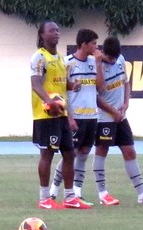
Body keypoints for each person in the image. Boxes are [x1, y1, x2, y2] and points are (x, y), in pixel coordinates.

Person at [93, 36, 143, 206]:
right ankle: (103, 194)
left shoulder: (120, 59)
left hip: (120, 115)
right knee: (102, 151)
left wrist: (126, 103)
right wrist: (113, 111)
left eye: (116, 57)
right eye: (110, 58)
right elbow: (97, 93)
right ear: (104, 53)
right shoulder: (97, 64)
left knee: (130, 151)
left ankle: (142, 194)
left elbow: (126, 82)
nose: (113, 60)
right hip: (104, 118)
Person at [29, 20, 91, 210]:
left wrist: (72, 87)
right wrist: (49, 101)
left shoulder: (62, 59)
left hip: (62, 115)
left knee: (69, 153)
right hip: (46, 115)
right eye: (51, 30)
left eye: (57, 30)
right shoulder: (39, 57)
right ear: (42, 35)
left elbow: (62, 88)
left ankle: (70, 197)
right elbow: (36, 84)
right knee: (47, 154)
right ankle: (44, 198)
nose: (56, 33)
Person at [49, 29, 105, 205]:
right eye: (94, 43)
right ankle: (53, 190)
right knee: (70, 155)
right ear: (84, 44)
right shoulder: (67, 63)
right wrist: (69, 117)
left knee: (84, 153)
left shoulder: (93, 62)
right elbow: (60, 92)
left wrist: (98, 64)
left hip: (92, 116)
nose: (97, 47)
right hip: (75, 116)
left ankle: (77, 193)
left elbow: (101, 88)